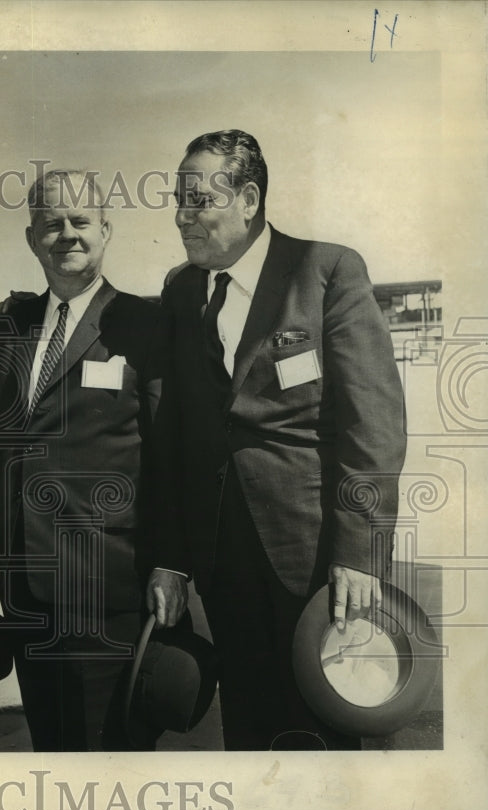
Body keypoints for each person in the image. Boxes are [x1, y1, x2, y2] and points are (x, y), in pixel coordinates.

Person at [146, 129, 407, 750]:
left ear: (249, 197)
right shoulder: (181, 292)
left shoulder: (326, 271)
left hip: (315, 556)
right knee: (248, 727)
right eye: (177, 200)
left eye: (197, 200)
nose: (182, 216)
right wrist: (174, 555)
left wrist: (360, 551)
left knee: (322, 730)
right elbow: (173, 435)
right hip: (221, 559)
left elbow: (372, 422)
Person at [0, 170, 163, 751]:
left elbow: (171, 457)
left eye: (81, 221)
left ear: (105, 230)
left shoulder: (145, 325)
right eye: (51, 223)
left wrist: (173, 565)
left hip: (107, 585)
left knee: (110, 760)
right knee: (53, 755)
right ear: (32, 237)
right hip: (27, 593)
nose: (67, 234)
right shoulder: (6, 327)